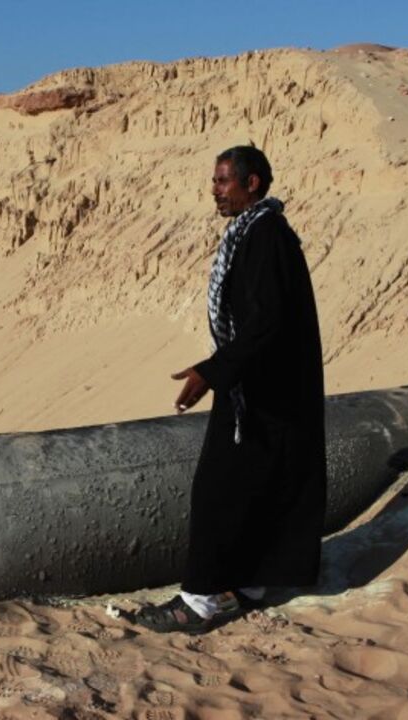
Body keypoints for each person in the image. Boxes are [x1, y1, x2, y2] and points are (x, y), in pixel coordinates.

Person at [136, 145, 327, 633]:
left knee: (217, 490)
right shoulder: (254, 231)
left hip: (262, 389)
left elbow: (266, 323)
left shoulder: (266, 236)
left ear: (252, 183)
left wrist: (212, 372)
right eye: (215, 181)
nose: (215, 190)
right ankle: (255, 582)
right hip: (258, 385)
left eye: (223, 181)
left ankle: (199, 600)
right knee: (261, 485)